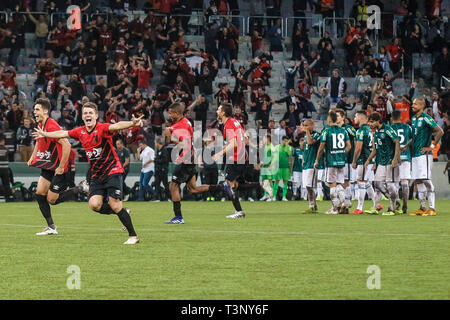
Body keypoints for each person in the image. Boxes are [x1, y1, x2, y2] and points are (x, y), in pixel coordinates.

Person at [33, 102, 141, 245]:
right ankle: (123, 212)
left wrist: (131, 123)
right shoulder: (80, 131)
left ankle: (133, 236)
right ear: (82, 116)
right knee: (94, 205)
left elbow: (116, 126)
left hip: (112, 171)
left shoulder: (102, 128)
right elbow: (63, 133)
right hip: (96, 175)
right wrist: (45, 134)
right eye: (85, 113)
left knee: (115, 204)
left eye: (90, 113)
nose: (87, 115)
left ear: (96, 115)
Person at [163, 102, 224, 224]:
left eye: (171, 113)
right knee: (193, 189)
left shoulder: (177, 126)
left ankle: (178, 217)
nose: (169, 115)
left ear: (177, 113)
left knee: (173, 186)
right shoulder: (186, 122)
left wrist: (168, 135)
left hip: (185, 158)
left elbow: (179, 143)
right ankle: (222, 187)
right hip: (191, 157)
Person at [28, 98, 81, 236]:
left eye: (37, 109)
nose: (35, 112)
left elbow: (67, 145)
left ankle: (81, 188)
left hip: (58, 166)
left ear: (46, 111)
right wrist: (32, 157)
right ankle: (51, 227)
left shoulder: (51, 125)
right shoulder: (42, 125)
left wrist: (61, 166)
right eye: (34, 110)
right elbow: (39, 142)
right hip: (48, 165)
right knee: (39, 193)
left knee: (52, 200)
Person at [212, 102, 253, 218]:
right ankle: (260, 186)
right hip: (243, 157)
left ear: (223, 113)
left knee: (227, 184)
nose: (217, 111)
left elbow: (234, 143)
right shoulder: (236, 122)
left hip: (235, 158)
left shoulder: (229, 124)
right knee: (235, 184)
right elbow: (245, 140)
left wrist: (219, 154)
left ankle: (239, 211)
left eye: (219, 109)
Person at [409, 98, 444, 216]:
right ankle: (422, 207)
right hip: (415, 154)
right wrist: (407, 146)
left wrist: (432, 147)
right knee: (418, 180)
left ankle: (432, 208)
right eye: (413, 103)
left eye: (415, 104)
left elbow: (440, 131)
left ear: (422, 106)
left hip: (424, 155)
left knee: (426, 179)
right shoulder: (414, 118)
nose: (412, 105)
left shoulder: (426, 117)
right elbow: (416, 136)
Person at [314, 110, 351, 214]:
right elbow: (349, 145)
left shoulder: (327, 131)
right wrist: (342, 154)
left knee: (331, 184)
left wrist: (317, 159)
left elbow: (321, 147)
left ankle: (335, 208)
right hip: (341, 161)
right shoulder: (343, 131)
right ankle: (344, 202)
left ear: (329, 119)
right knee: (339, 183)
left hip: (331, 162)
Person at [365, 112, 402, 216]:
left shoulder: (388, 129)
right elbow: (375, 149)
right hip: (381, 161)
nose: (369, 124)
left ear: (378, 121)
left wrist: (395, 158)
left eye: (371, 122)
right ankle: (394, 201)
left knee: (390, 184)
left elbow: (397, 141)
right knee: (377, 183)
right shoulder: (375, 132)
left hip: (390, 160)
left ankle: (392, 208)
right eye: (369, 122)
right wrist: (369, 160)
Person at [351, 111, 379, 215]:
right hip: (370, 159)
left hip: (363, 160)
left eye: (355, 116)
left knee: (361, 182)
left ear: (360, 117)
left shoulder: (361, 131)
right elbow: (374, 146)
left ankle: (359, 208)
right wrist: (374, 160)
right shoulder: (370, 130)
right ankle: (376, 204)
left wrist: (354, 161)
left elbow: (358, 148)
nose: (354, 118)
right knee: (366, 182)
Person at [390, 110, 413, 214]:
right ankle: (405, 205)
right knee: (404, 182)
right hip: (406, 157)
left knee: (393, 182)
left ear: (391, 118)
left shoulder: (389, 128)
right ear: (401, 117)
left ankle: (395, 203)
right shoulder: (407, 127)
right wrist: (406, 146)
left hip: (394, 157)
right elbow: (414, 139)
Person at [336, 109, 357, 210]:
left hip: (347, 159)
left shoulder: (349, 128)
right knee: (337, 181)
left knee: (345, 181)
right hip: (336, 159)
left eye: (338, 116)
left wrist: (355, 156)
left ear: (343, 117)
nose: (336, 118)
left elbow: (357, 139)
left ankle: (347, 202)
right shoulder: (334, 129)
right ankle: (343, 201)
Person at [301, 119, 321, 213]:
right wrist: (304, 159)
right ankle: (313, 205)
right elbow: (305, 147)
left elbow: (310, 142)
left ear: (312, 125)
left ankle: (312, 205)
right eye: (304, 125)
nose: (304, 127)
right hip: (306, 163)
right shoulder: (305, 136)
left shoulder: (317, 135)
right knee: (307, 185)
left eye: (306, 125)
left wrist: (307, 132)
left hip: (312, 163)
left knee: (309, 185)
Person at [273, 136, 292, 201]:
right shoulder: (277, 147)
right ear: (282, 140)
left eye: (287, 141)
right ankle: (274, 196)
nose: (286, 142)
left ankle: (284, 197)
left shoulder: (289, 147)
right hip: (278, 167)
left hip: (286, 167)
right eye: (285, 141)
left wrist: (287, 146)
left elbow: (289, 154)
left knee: (285, 183)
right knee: (276, 182)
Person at [153, 136, 170, 202]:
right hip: (158, 170)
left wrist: (156, 160)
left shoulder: (164, 150)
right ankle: (157, 198)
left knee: (165, 184)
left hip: (163, 170)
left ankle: (168, 198)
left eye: (155, 143)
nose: (154, 144)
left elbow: (165, 160)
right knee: (157, 184)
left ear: (157, 143)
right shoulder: (158, 150)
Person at [259, 134, 275, 201]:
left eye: (264, 139)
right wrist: (262, 162)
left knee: (269, 182)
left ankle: (272, 196)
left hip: (269, 167)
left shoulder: (271, 146)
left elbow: (275, 156)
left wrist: (272, 164)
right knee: (263, 183)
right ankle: (268, 195)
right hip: (264, 166)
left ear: (267, 139)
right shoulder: (265, 147)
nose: (263, 140)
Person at [0, 134, 12, 201]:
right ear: (3, 142)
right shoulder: (6, 149)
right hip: (5, 169)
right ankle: (7, 198)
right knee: (6, 185)